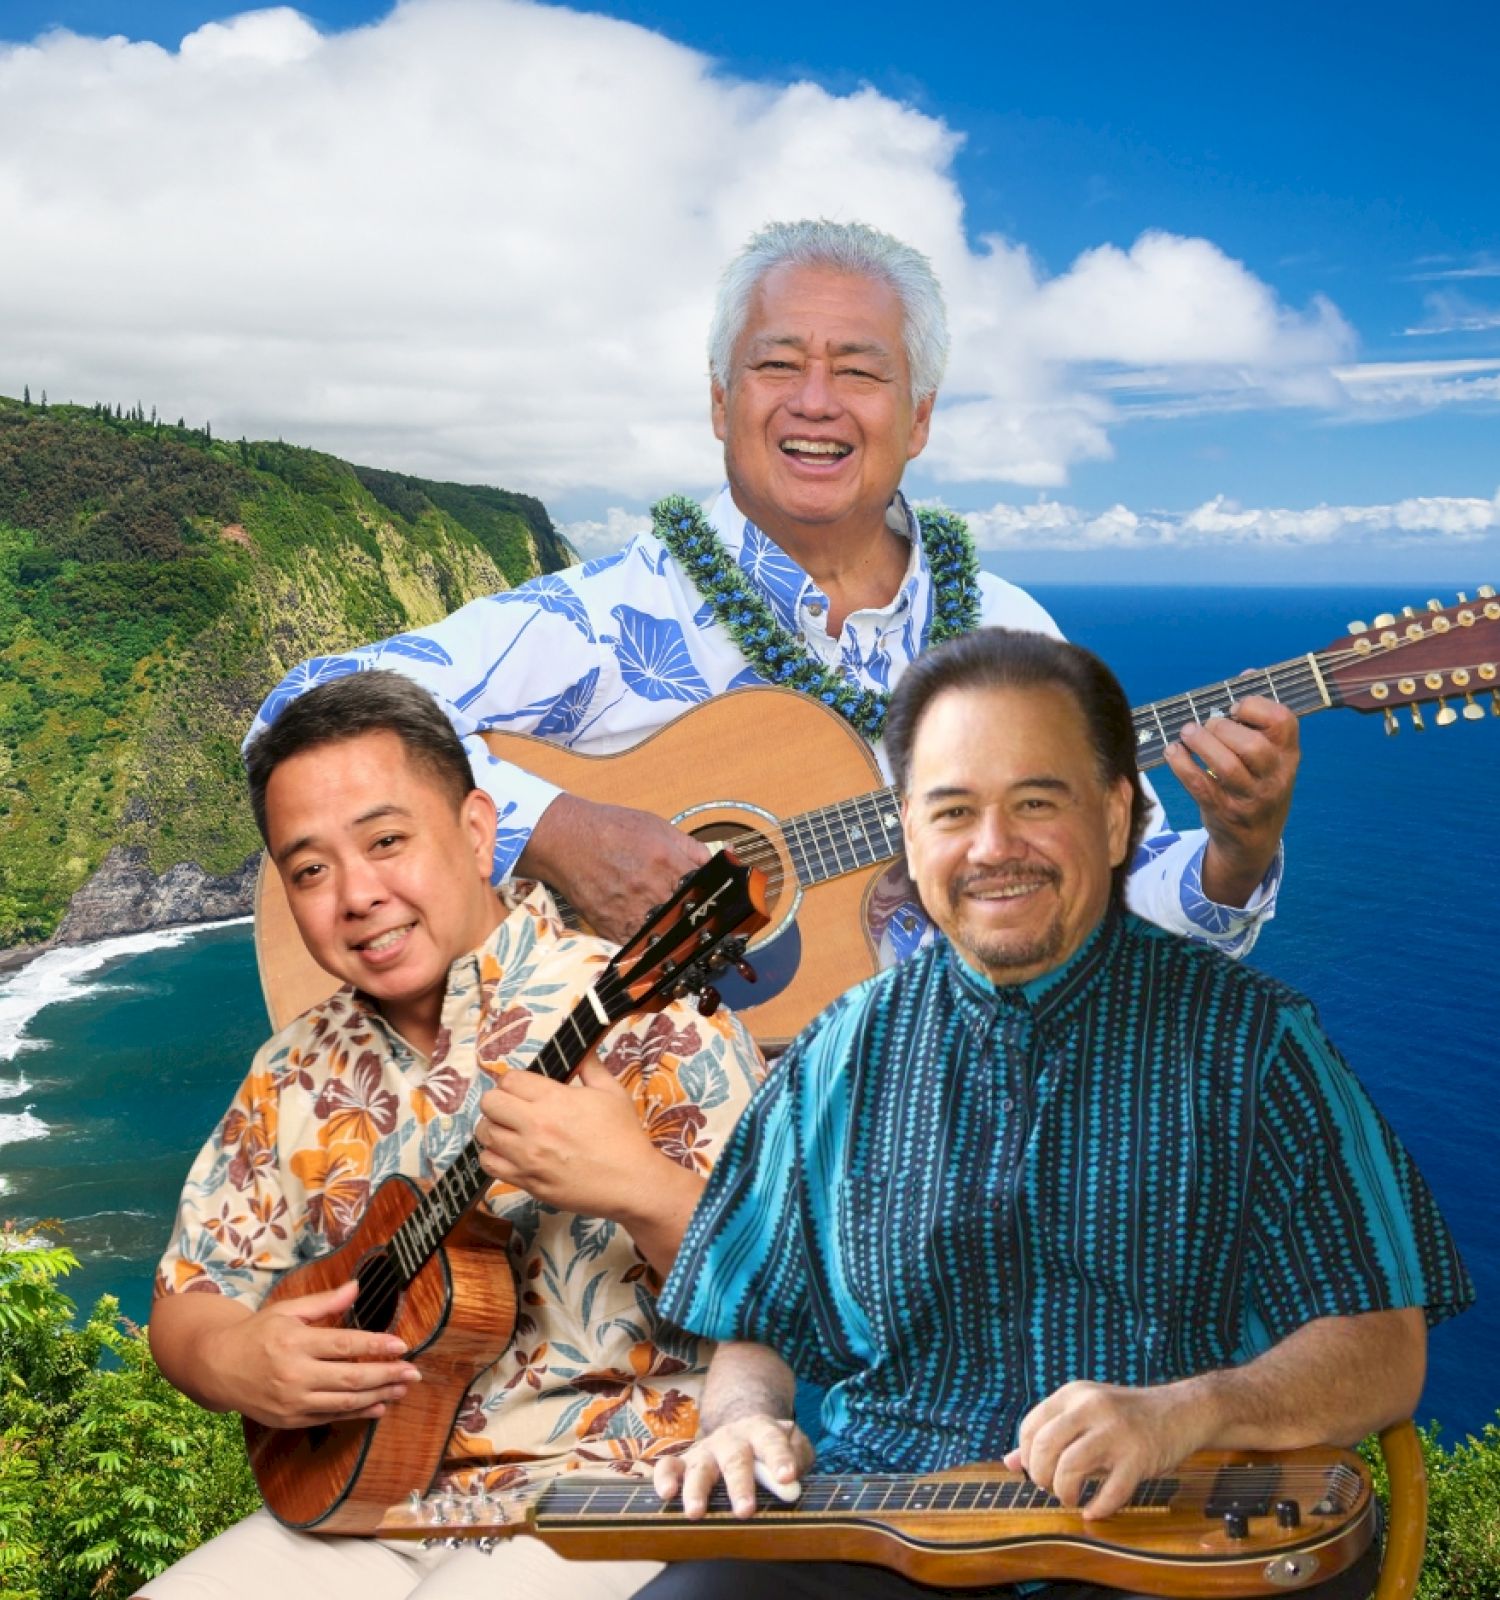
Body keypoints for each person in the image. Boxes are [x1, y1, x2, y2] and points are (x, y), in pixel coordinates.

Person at [637, 627, 1472, 1600]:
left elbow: (1383, 1349)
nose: (994, 848)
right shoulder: (839, 1051)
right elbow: (756, 1318)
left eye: (1039, 802)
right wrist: (742, 1415)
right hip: (884, 1534)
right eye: (954, 811)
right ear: (907, 834)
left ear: (1119, 818)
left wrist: (1184, 1411)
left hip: (1164, 1537)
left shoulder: (1256, 1043)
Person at [247, 219, 1298, 975]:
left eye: (859, 371)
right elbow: (306, 707)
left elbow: (1121, 902)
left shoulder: (1013, 639)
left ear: (919, 416)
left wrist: (1235, 851)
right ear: (719, 401)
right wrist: (558, 829)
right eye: (777, 364)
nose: (815, 402)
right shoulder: (616, 619)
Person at [140, 671, 764, 1600]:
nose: (356, 894)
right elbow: (189, 1299)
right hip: (364, 1503)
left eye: (387, 841)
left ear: (477, 833)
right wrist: (239, 1361)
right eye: (311, 870)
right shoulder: (292, 1071)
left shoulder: (656, 1016)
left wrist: (640, 1185)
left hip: (612, 1493)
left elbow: (799, 1305)